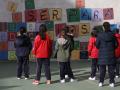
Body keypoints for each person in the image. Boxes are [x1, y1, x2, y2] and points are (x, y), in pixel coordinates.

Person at [96, 22, 118, 87]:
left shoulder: (99, 35)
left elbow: (97, 45)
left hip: (102, 55)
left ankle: (101, 82)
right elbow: (116, 45)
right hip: (111, 55)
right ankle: (112, 82)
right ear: (109, 27)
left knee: (102, 70)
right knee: (111, 70)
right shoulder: (113, 35)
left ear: (103, 27)